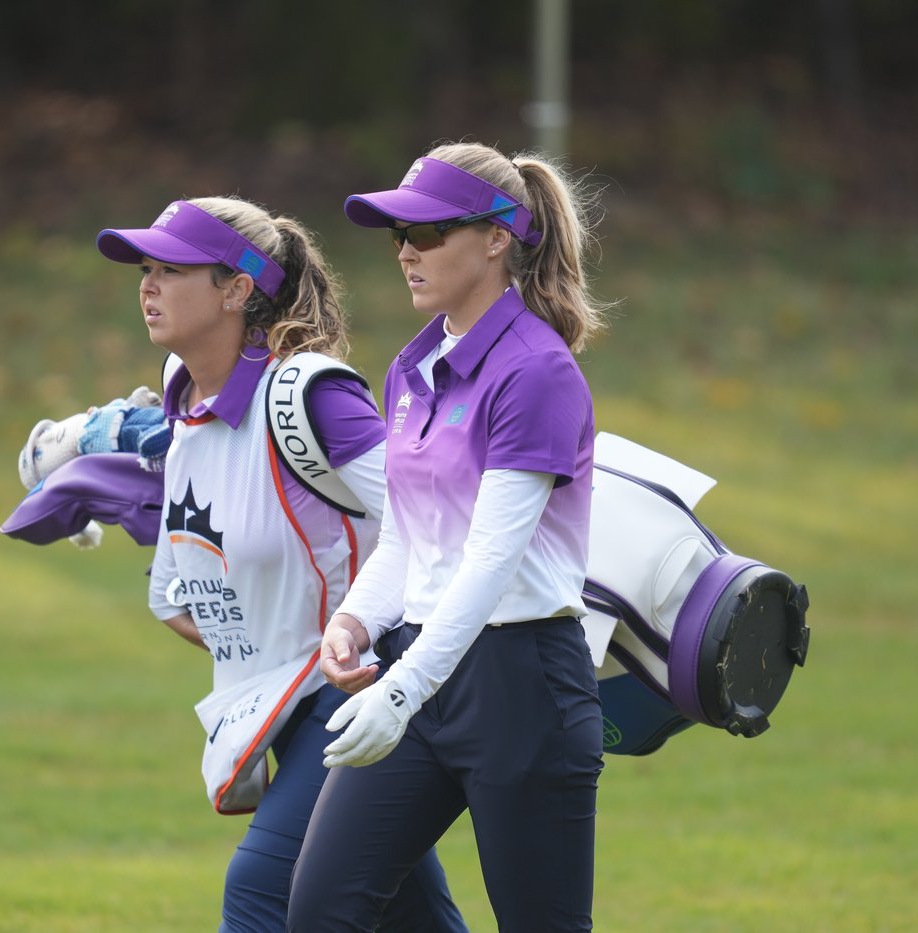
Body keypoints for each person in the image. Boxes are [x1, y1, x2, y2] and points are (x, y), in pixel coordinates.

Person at [94, 196, 466, 933]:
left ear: (237, 290)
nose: (148, 285)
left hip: (359, 688)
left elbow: (433, 529)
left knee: (262, 888)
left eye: (172, 269)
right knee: (409, 917)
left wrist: (373, 646)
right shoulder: (186, 408)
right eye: (146, 269)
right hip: (280, 707)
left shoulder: (311, 402)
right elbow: (181, 603)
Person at [287, 143, 611, 932]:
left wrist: (400, 690)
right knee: (322, 908)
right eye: (398, 233)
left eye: (427, 233)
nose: (405, 251)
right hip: (422, 667)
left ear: (497, 237)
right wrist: (357, 619)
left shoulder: (537, 370)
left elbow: (491, 561)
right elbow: (407, 536)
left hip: (521, 687)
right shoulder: (413, 366)